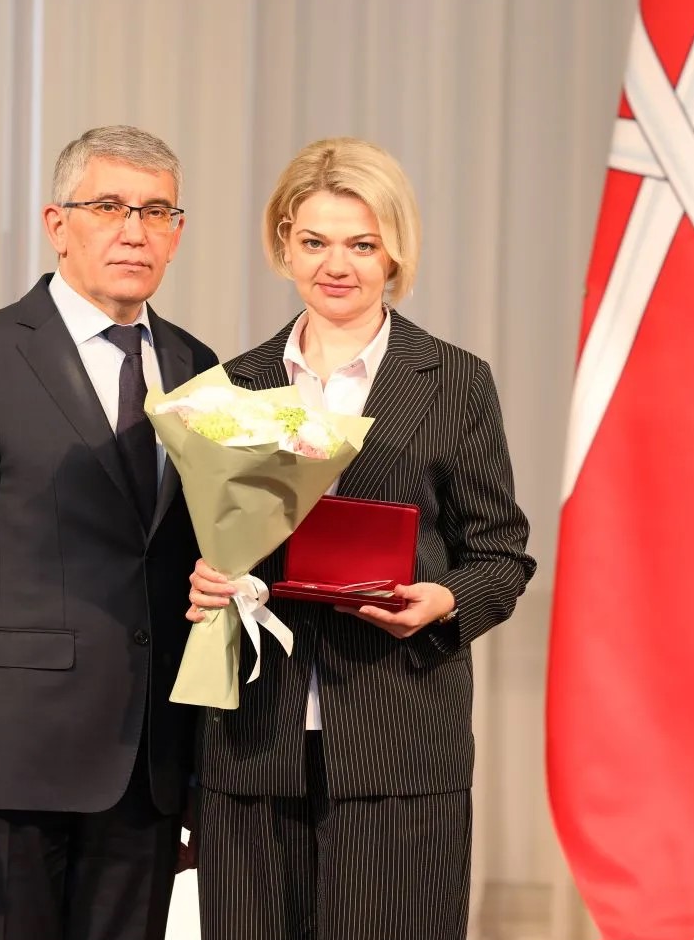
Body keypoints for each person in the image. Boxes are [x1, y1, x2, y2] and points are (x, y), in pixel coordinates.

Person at [186, 137, 536, 940]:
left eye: (362, 244)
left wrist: (442, 599)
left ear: (395, 252)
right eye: (314, 241)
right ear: (284, 246)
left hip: (400, 736)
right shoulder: (235, 384)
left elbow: (501, 556)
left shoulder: (454, 381)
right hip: (254, 743)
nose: (335, 265)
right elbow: (204, 546)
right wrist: (204, 581)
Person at [0, 125, 218, 940]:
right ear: (57, 223)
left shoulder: (197, 367)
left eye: (156, 211)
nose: (134, 231)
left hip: (147, 774)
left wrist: (195, 776)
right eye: (108, 206)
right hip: (10, 776)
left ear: (178, 233)